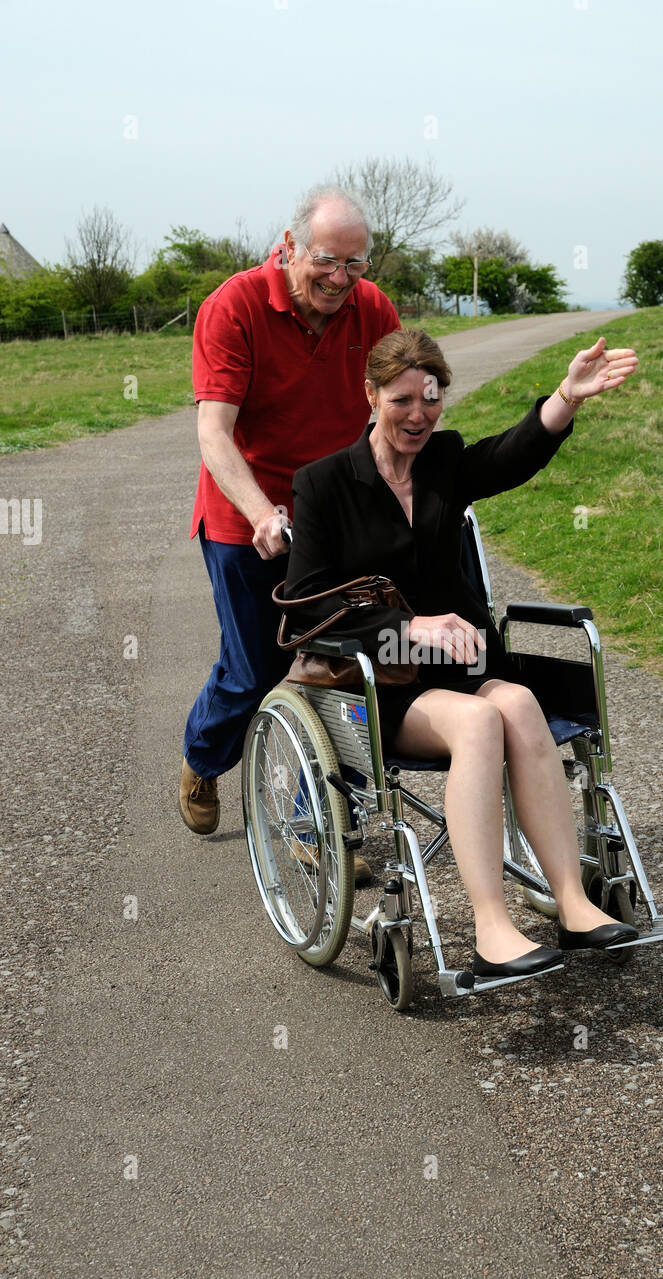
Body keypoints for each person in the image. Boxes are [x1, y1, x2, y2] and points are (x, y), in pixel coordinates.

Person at [283, 328, 641, 979]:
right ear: (370, 396)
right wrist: (409, 625)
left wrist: (567, 395)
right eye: (401, 401)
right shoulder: (323, 485)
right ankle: (490, 925)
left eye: (431, 399)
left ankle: (571, 902)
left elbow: (510, 456)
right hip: (379, 680)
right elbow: (306, 602)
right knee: (478, 722)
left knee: (520, 701)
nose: (418, 415)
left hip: (463, 668)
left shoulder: (442, 459)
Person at [180, 185, 400, 885]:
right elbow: (214, 431)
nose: (340, 279)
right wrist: (260, 513)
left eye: (355, 265)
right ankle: (203, 759)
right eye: (326, 262)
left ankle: (317, 826)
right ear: (288, 246)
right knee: (255, 674)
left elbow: (392, 407)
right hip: (243, 517)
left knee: (345, 672)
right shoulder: (235, 306)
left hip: (327, 517)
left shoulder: (372, 309)